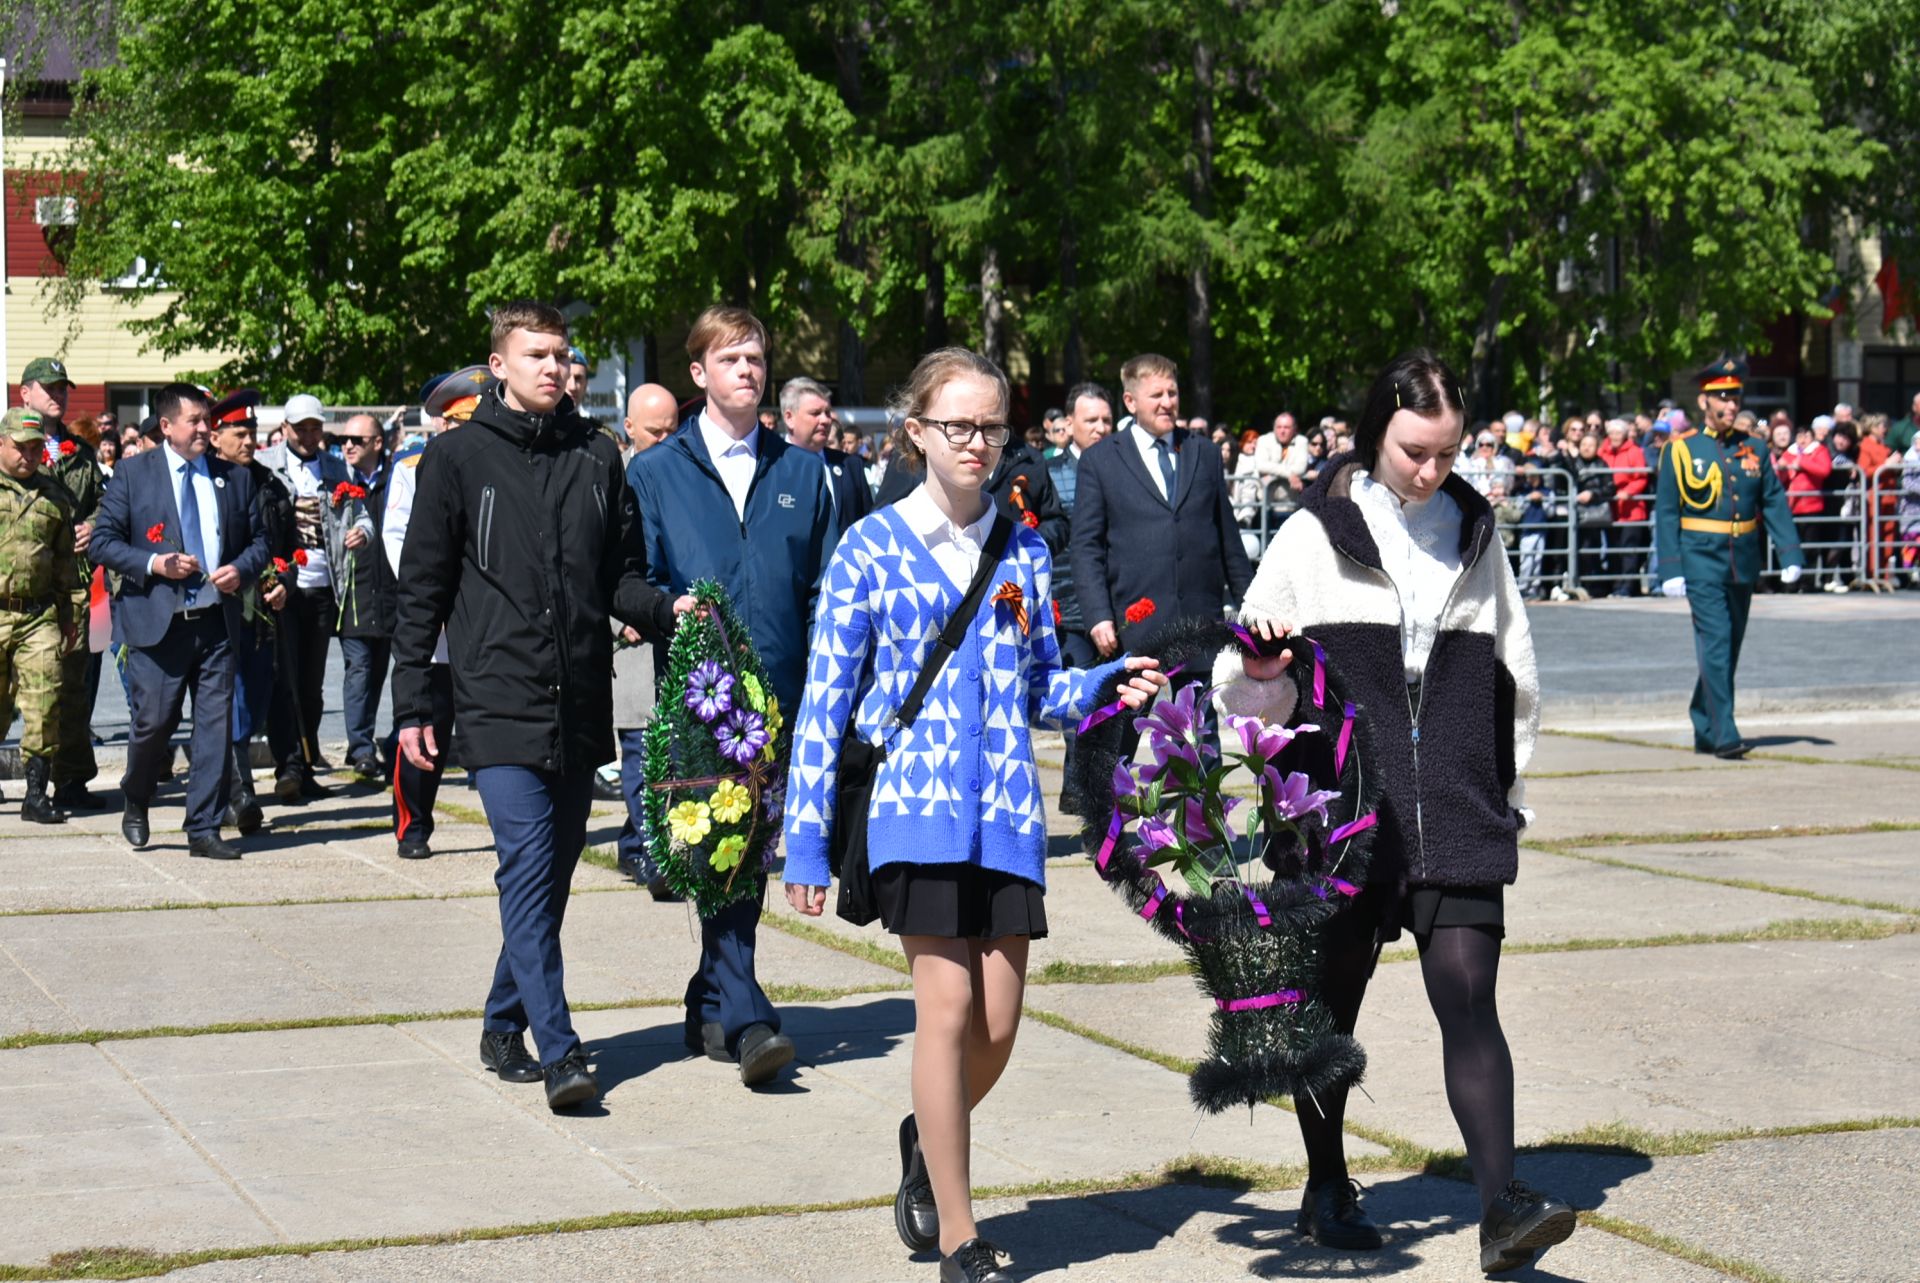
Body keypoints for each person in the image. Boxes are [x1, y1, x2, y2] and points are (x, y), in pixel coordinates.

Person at [782, 347, 1165, 1283]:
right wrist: (803, 837)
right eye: (957, 425)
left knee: (997, 1023)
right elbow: (823, 700)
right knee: (945, 1009)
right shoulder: (868, 547)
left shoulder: (1024, 552)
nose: (976, 442)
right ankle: (962, 1236)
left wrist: (1112, 684)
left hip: (1005, 817)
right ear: (915, 432)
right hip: (911, 814)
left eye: (991, 426)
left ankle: (926, 1132)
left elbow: (1042, 689)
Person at [1215, 349, 1575, 1278]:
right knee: (1331, 1007)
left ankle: (1502, 1207)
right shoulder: (1310, 538)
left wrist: (1510, 792)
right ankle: (1327, 1181)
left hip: (1457, 809)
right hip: (1341, 816)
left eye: (1448, 452)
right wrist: (1262, 676)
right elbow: (1235, 683)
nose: (1432, 470)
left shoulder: (1475, 533)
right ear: (1378, 430)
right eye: (1416, 450)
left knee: (1468, 994)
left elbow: (1518, 677)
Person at [392, 300, 686, 1112]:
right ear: (499, 365)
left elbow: (620, 576)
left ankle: (500, 1018)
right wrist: (416, 700)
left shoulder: (597, 456)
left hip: (579, 696)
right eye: (536, 355)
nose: (553, 367)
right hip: (495, 696)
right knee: (525, 864)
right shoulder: (452, 460)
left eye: (561, 354)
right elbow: (421, 591)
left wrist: (668, 609)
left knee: (548, 879)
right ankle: (560, 1048)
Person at [625, 304, 836, 1087]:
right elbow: (635, 578)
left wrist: (827, 688)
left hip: (782, 695)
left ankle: (708, 997)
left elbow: (824, 592)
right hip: (700, 701)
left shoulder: (804, 471)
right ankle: (748, 1018)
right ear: (699, 373)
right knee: (722, 848)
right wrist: (665, 614)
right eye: (731, 358)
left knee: (749, 857)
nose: (748, 370)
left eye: (756, 358)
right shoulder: (656, 471)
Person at [90, 383, 270, 860]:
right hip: (157, 623)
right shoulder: (132, 474)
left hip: (216, 623)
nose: (205, 428)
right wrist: (155, 564)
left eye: (207, 419)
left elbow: (259, 541)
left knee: (214, 729)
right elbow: (102, 542)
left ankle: (203, 829)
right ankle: (136, 794)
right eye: (195, 420)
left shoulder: (234, 478)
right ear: (166, 426)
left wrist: (243, 569)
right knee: (153, 726)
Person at [1068, 352, 1252, 748]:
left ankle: (1202, 811)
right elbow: (1086, 546)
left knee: (1201, 749)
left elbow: (1227, 537)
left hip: (1196, 625)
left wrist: (1251, 604)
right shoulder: (1101, 460)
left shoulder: (1202, 453)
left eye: (1173, 392)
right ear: (1131, 402)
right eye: (1157, 394)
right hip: (1136, 626)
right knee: (1118, 745)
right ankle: (1110, 811)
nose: (1168, 401)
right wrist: (1098, 615)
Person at [1656, 356, 1804, 758]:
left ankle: (1704, 722)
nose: (1730, 405)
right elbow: (1667, 511)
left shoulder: (1754, 447)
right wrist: (1669, 567)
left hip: (1743, 558)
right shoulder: (1682, 450)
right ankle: (1725, 733)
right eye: (1722, 397)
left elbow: (1772, 501)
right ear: (1704, 401)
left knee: (1729, 645)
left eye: (1735, 397)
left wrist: (1790, 551)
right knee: (1717, 641)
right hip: (1700, 559)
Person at [383, 366, 490, 858]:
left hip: (483, 622)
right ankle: (413, 824)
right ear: (444, 423)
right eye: (460, 421)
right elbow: (401, 542)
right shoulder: (411, 468)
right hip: (437, 623)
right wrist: (436, 600)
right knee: (425, 726)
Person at [257, 394, 374, 801]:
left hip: (325, 588)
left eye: (315, 428)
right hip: (282, 587)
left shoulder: (336, 469)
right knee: (283, 680)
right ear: (285, 428)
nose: (308, 435)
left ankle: (306, 763)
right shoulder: (266, 468)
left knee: (311, 684)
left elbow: (362, 516)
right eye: (300, 428)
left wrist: (362, 533)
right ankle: (287, 763)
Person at [19, 357, 106, 811]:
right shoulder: (8, 446)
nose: (58, 395)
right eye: (48, 387)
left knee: (72, 685)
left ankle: (70, 779)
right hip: (19, 584)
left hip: (70, 586)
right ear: (25, 393)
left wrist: (93, 524)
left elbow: (106, 505)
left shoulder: (82, 454)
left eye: (63, 388)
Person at [206, 392, 293, 836]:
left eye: (252, 432)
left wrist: (285, 582)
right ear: (215, 436)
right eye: (239, 433)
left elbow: (291, 548)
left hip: (263, 615)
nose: (248, 441)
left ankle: (232, 790)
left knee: (254, 700)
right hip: (219, 610)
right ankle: (238, 796)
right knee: (232, 702)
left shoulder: (271, 485)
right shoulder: (204, 479)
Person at [610, 382, 679, 897]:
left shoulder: (683, 477)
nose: (666, 438)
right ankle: (648, 849)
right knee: (638, 745)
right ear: (630, 428)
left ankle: (638, 838)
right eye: (655, 430)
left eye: (673, 429)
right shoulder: (617, 477)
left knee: (667, 749)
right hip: (629, 635)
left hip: (672, 629)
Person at [0, 408, 81, 822]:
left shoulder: (54, 495)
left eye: (35, 448)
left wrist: (67, 615)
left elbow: (65, 563)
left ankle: (36, 793)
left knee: (45, 700)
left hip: (38, 615)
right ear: (1, 443)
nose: (29, 456)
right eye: (20, 448)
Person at [1043, 380, 1112, 816]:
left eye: (1107, 420)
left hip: (1115, 604)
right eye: (1091, 421)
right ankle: (1080, 784)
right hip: (1066, 605)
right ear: (1069, 424)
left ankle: (1089, 785)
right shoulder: (1050, 473)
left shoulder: (1124, 468)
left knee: (1110, 701)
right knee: (1079, 696)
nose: (1101, 428)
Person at [332, 414, 397, 775]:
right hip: (354, 595)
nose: (349, 445)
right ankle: (360, 749)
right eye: (345, 440)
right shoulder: (337, 481)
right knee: (358, 669)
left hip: (392, 593)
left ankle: (384, 741)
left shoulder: (397, 479)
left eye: (358, 439)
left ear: (378, 443)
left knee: (379, 673)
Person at [781, 375, 873, 527]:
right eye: (815, 413)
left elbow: (868, 526)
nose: (825, 420)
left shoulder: (850, 466)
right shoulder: (769, 466)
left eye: (828, 413)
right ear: (789, 418)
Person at [1596, 417, 1649, 595]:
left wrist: (1629, 491)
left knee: (1629, 549)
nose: (1614, 436)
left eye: (1618, 433)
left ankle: (1628, 586)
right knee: (1613, 549)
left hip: (1631, 509)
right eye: (1611, 433)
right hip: (1611, 509)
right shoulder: (1603, 451)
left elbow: (1641, 477)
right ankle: (1615, 584)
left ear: (1625, 434)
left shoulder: (1634, 451)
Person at [1776, 419, 1830, 589]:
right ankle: (1791, 584)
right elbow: (1780, 477)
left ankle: (1808, 582)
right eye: (1799, 436)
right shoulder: (1789, 452)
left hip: (1812, 506)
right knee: (1793, 547)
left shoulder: (1819, 451)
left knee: (1811, 547)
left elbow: (1824, 470)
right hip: (1792, 506)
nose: (1802, 439)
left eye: (1806, 436)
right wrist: (1782, 468)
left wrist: (1802, 463)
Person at [1568, 433, 1616, 595]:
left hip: (1595, 515)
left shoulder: (1602, 464)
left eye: (1590, 445)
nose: (1586, 448)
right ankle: (1578, 583)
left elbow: (1609, 488)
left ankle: (1596, 586)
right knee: (1577, 549)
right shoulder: (1573, 463)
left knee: (1594, 550)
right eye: (1583, 444)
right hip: (1575, 514)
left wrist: (1592, 494)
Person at [1253, 411, 1309, 524]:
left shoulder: (1302, 441)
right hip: (1264, 502)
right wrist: (1289, 474)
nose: (1282, 431)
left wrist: (1272, 472)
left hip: (1289, 505)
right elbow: (1261, 465)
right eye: (1279, 427)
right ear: (1274, 428)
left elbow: (1300, 468)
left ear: (1294, 429)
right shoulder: (1263, 440)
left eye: (1286, 427)